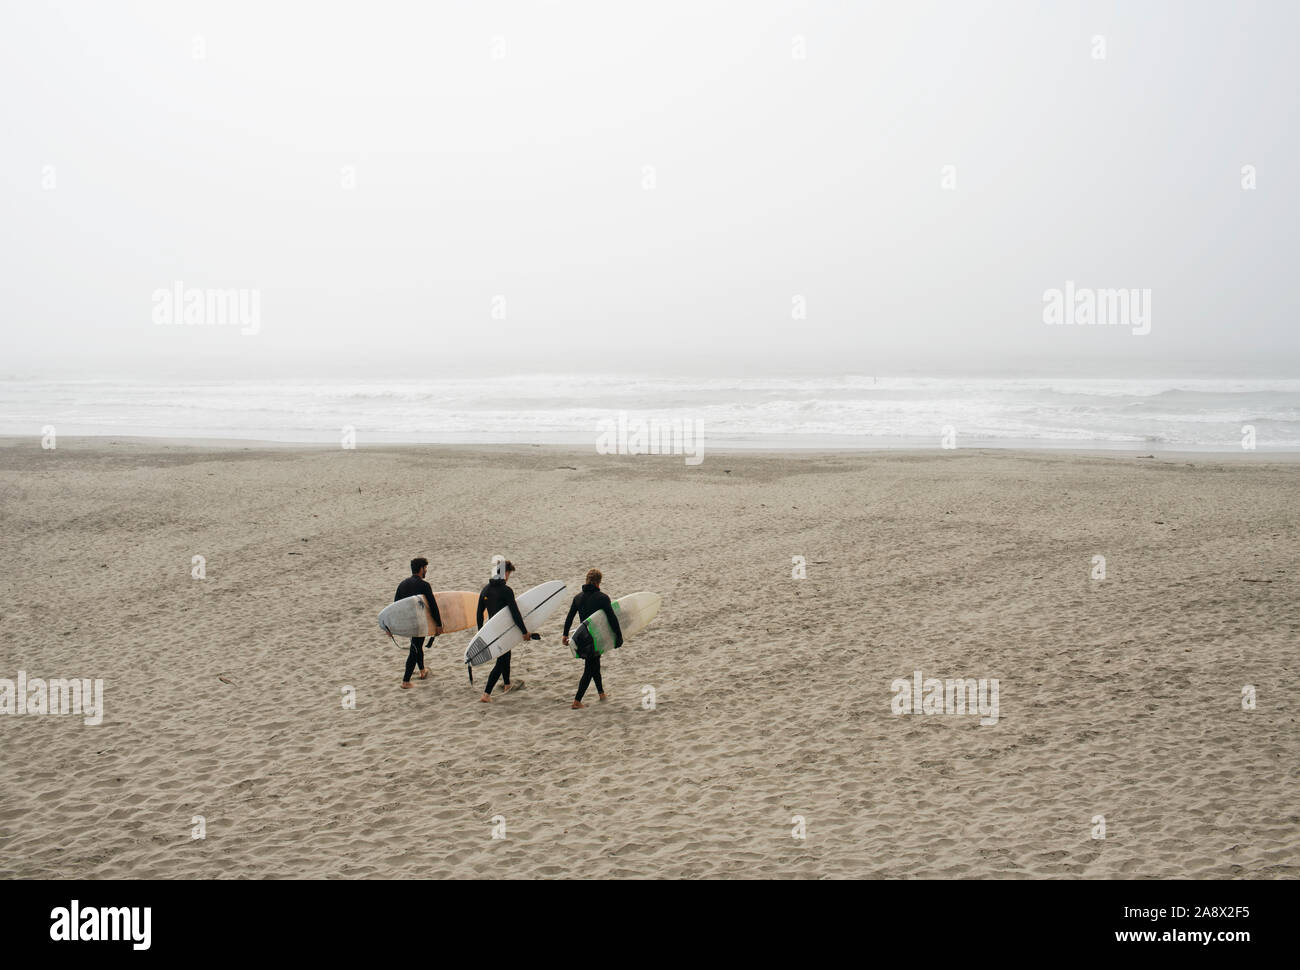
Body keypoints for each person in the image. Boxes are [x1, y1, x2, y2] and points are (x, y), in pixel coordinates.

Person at [562, 568, 622, 709]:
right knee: (590, 668)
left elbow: (569, 617)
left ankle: (601, 693)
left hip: (583, 637)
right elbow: (612, 619)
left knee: (595, 664)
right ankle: (577, 701)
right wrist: (618, 636)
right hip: (595, 638)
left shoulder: (578, 597)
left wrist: (565, 635)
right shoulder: (602, 598)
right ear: (598, 582)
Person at [477, 559, 530, 702]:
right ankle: (486, 694)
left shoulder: (485, 589)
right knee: (502, 661)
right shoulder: (506, 591)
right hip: (504, 631)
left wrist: (481, 632)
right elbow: (515, 613)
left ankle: (507, 684)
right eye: (509, 574)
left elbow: (479, 612)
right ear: (505, 573)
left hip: (493, 630)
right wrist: (524, 631)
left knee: (506, 656)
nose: (508, 577)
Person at [394, 557, 443, 689]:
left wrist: (394, 625)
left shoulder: (402, 584)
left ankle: (422, 670)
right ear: (421, 569)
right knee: (414, 649)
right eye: (425, 568)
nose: (426, 570)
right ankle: (406, 681)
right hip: (419, 622)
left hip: (408, 623)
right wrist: (438, 624)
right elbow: (433, 606)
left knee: (417, 644)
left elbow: (395, 606)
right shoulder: (424, 585)